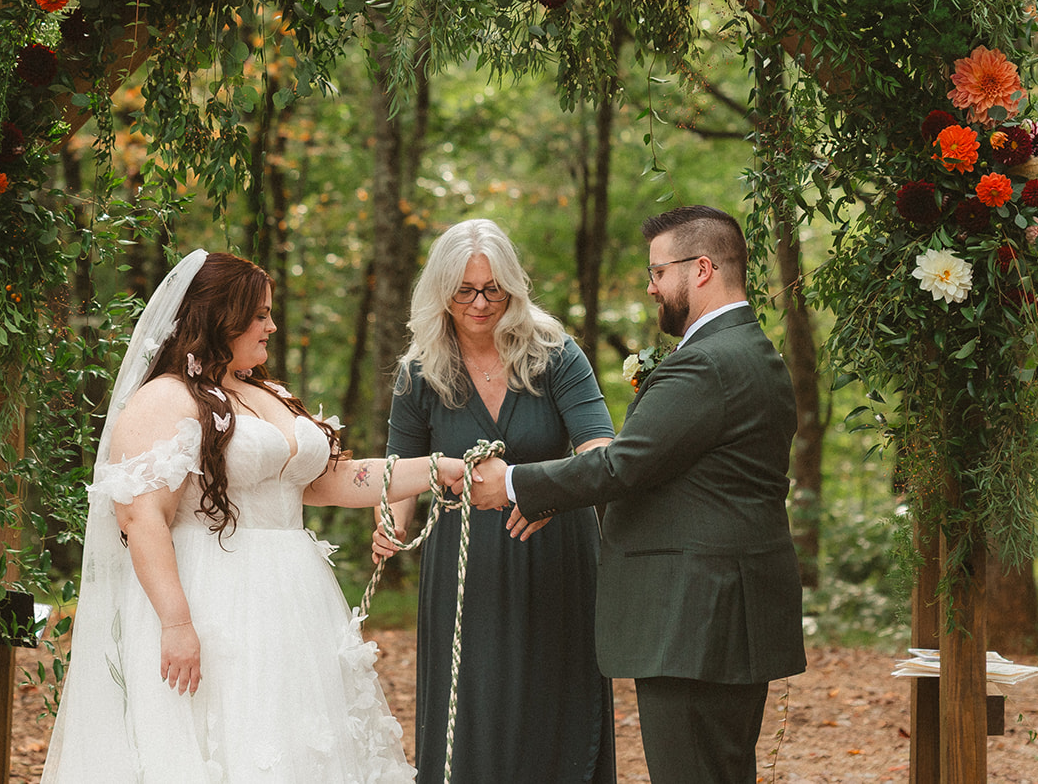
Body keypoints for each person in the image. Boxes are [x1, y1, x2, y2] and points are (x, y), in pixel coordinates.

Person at [42, 250, 463, 783]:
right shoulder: (163, 400)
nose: (272, 325)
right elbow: (142, 517)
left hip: (295, 599)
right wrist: (176, 623)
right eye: (260, 314)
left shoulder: (268, 394)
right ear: (221, 315)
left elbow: (333, 481)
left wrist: (440, 468)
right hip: (214, 596)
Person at [469, 205, 807, 784]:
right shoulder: (753, 352)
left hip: (695, 618)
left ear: (701, 269)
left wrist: (518, 482)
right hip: (730, 612)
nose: (651, 288)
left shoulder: (708, 364)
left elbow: (626, 464)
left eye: (658, 273)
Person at [374, 218, 616, 784]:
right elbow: (399, 469)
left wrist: (541, 492)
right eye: (465, 290)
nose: (480, 303)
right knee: (472, 706)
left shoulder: (556, 354)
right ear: (441, 292)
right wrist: (389, 521)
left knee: (554, 699)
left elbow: (601, 449)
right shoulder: (419, 373)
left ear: (512, 287)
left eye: (493, 289)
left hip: (554, 547)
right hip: (466, 565)